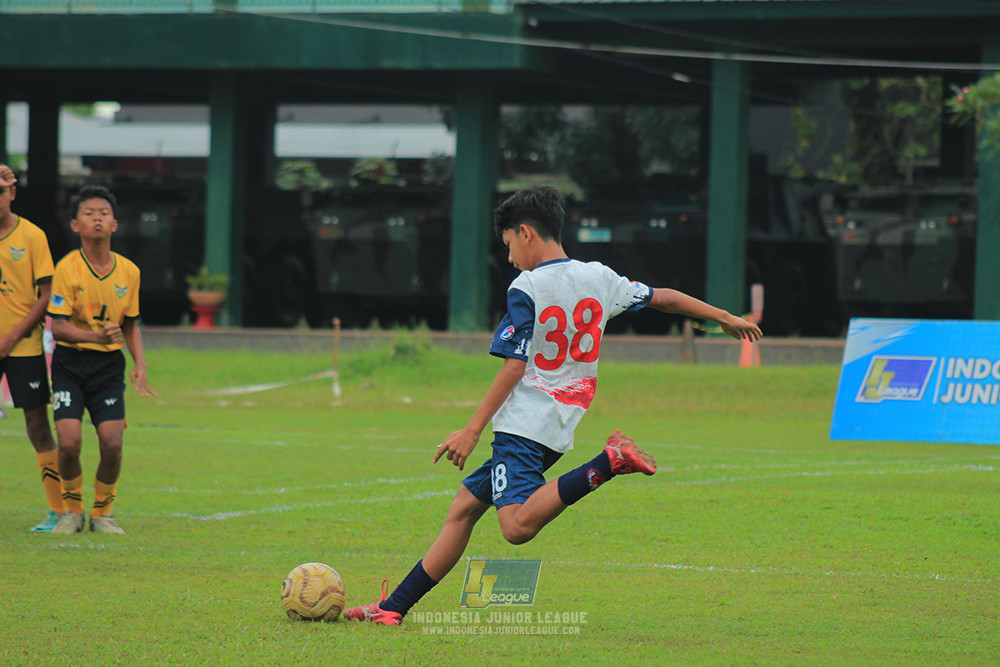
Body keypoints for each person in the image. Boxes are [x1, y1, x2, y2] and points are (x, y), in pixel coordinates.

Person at [344, 185, 762, 625]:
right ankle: (392, 609)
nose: (509, 258)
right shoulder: (599, 277)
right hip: (559, 424)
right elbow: (665, 298)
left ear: (525, 233)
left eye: (508, 245)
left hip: (524, 424)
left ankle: (609, 462)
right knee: (463, 510)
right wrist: (726, 318)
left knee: (516, 528)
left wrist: (471, 429)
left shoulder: (526, 286)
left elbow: (513, 365)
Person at [47, 184, 156, 535]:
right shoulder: (67, 269)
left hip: (108, 369)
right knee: (69, 441)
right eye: (89, 213)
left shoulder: (130, 273)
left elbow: (131, 325)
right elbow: (59, 328)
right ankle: (71, 511)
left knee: (111, 443)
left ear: (115, 225)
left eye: (104, 214)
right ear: (75, 224)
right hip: (70, 364)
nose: (97, 218)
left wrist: (139, 363)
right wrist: (94, 336)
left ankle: (102, 513)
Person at [0, 164, 66, 532]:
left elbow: (45, 297)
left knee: (37, 424)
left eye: (0, 191)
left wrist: (10, 338)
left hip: (22, 345)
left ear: (12, 193)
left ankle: (57, 510)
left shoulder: (32, 236)